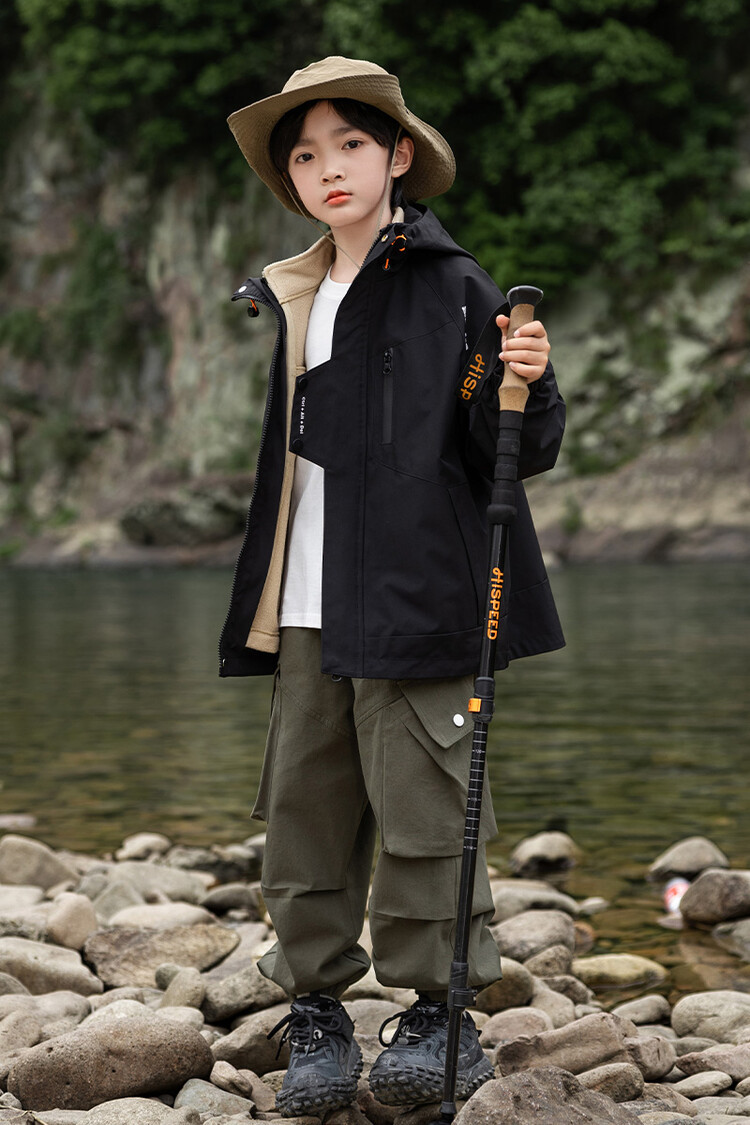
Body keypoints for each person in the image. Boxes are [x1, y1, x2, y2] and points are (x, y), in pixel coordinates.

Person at [219, 56, 565, 1116]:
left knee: (426, 804)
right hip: (305, 598)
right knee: (304, 812)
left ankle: (437, 1013)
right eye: (305, 156)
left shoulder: (456, 287)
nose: (328, 168)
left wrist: (526, 383)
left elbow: (509, 447)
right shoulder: (293, 292)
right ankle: (316, 1008)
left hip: (421, 592)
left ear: (399, 155)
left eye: (352, 145)